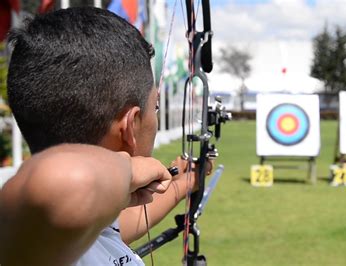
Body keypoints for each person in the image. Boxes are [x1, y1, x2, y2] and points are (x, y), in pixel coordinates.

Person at [0, 7, 204, 265]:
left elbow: (112, 228)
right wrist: (130, 170)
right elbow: (63, 181)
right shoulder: (28, 230)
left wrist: (183, 184)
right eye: (155, 106)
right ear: (130, 125)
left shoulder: (62, 234)